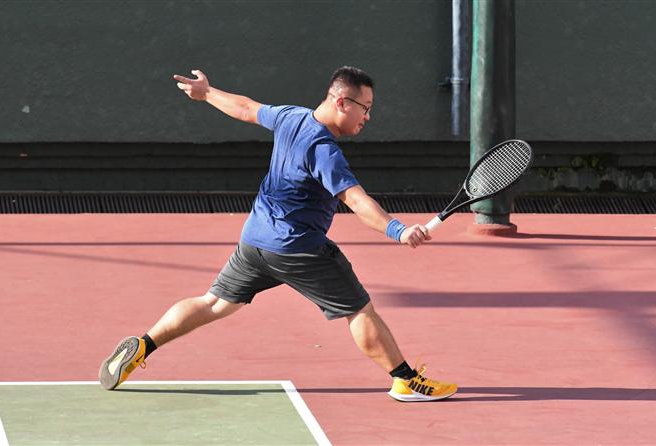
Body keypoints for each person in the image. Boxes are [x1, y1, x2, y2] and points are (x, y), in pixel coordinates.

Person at [99, 66, 457, 402]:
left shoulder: (291, 117)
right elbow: (356, 200)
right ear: (341, 102)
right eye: (365, 107)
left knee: (215, 303)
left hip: (254, 242)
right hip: (299, 250)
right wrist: (397, 230)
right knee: (359, 310)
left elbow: (246, 108)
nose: (367, 117)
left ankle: (143, 346)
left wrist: (207, 93)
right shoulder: (324, 151)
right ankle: (406, 380)